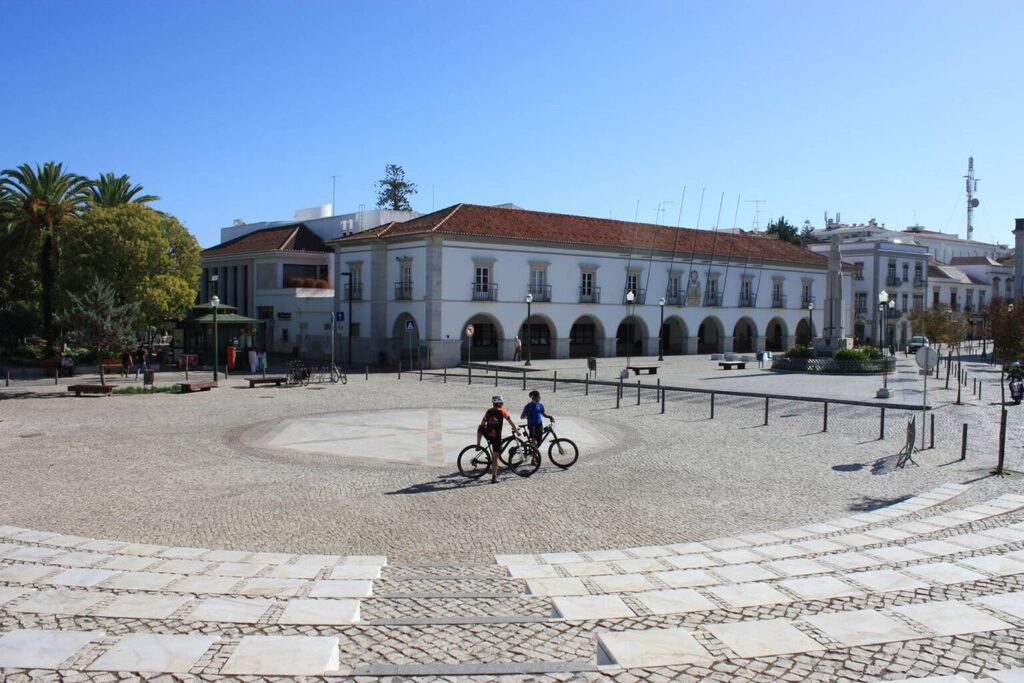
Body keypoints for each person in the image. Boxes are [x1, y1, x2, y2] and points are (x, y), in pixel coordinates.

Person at [477, 395, 520, 483]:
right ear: (500, 403)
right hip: (497, 437)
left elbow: (483, 422)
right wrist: (516, 431)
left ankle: (478, 445)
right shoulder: (503, 411)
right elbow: (510, 421)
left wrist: (484, 426)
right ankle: (494, 478)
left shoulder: (488, 411)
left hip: (488, 435)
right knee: (495, 457)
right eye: (502, 403)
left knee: (480, 427)